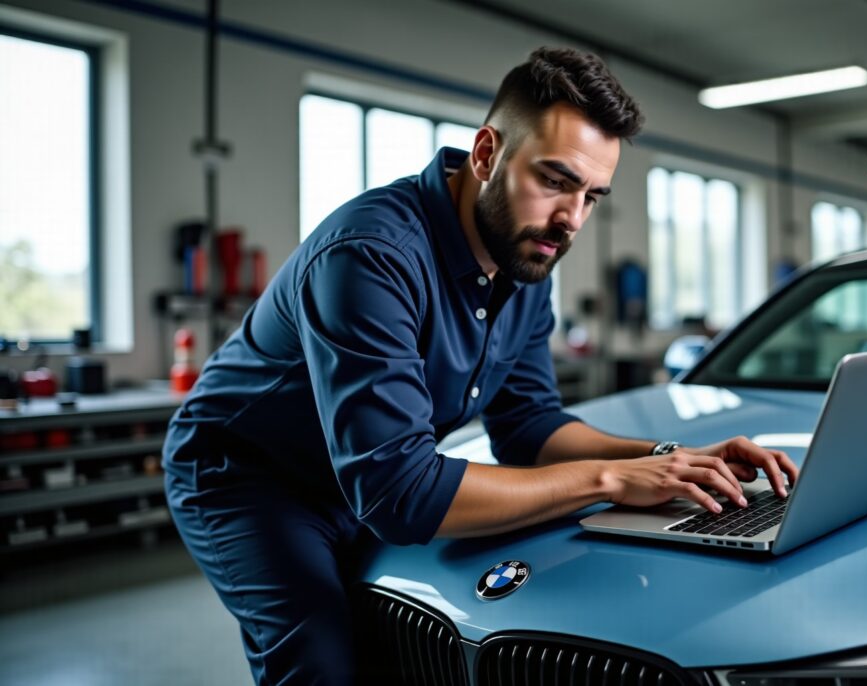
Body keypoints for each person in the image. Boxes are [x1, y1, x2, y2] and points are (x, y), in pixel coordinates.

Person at [163, 46, 798, 685]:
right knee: (322, 656)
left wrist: (671, 457)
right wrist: (609, 479)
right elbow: (400, 492)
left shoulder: (526, 260)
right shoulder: (371, 256)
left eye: (592, 197)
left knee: (398, 648)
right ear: (488, 154)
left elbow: (529, 427)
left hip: (360, 477)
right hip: (248, 476)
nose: (570, 221)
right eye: (554, 181)